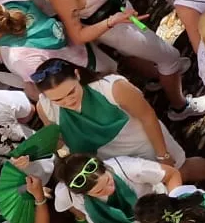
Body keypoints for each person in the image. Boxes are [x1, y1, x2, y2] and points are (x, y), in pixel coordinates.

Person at [31, 0, 205, 120]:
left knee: (136, 52)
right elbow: (78, 35)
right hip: (112, 26)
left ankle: (156, 77)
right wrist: (112, 22)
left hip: (120, 11)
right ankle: (180, 107)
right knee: (170, 57)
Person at [29, 59, 192, 168]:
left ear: (77, 75)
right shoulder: (44, 108)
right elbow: (59, 141)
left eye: (71, 92)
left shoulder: (113, 87)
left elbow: (148, 117)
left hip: (145, 142)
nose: (67, 101)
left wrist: (163, 155)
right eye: (58, 100)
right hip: (110, 159)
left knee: (182, 170)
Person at [52, 151, 179, 223]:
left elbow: (172, 174)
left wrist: (176, 208)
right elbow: (67, 205)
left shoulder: (129, 167)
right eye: (99, 192)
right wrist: (81, 219)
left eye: (108, 181)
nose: (109, 189)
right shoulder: (64, 193)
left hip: (155, 216)